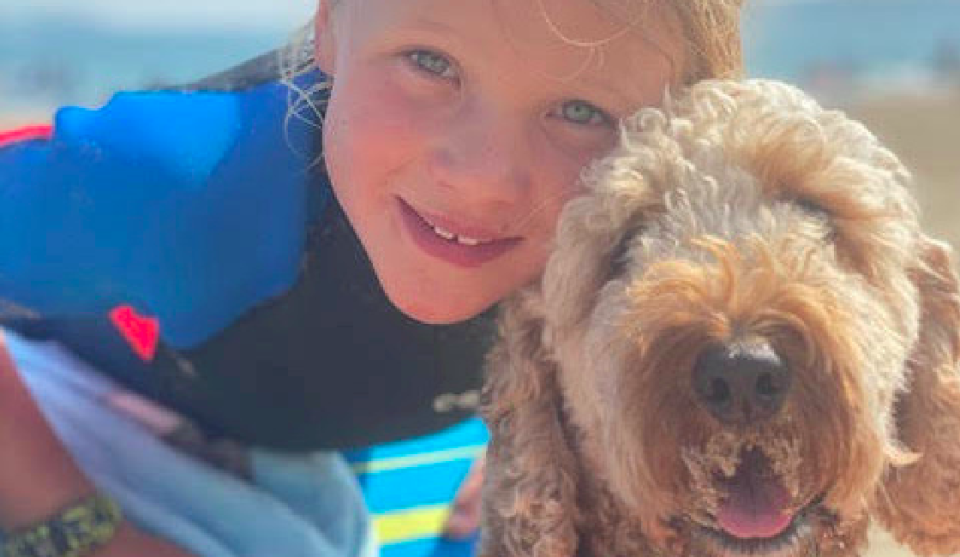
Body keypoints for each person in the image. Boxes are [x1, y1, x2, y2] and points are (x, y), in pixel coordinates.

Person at [0, 0, 744, 556]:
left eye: (580, 111)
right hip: (82, 395)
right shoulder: (191, 187)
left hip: (317, 430)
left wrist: (538, 426)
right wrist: (76, 523)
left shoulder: (660, 241)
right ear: (328, 25)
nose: (482, 180)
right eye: (430, 63)